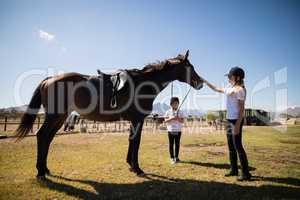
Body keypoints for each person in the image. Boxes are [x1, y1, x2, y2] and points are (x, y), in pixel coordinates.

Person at [204, 66, 252, 181]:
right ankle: (233, 169)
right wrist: (205, 82)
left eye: (230, 76)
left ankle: (246, 173)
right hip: (229, 120)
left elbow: (241, 110)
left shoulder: (240, 90)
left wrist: (237, 126)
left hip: (236, 121)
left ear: (237, 77)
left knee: (238, 146)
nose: (228, 78)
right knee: (231, 146)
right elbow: (216, 89)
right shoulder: (230, 88)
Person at [164, 97, 185, 164]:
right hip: (170, 130)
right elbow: (165, 121)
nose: (175, 104)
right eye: (174, 103)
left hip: (178, 130)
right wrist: (172, 118)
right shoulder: (168, 112)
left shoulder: (180, 111)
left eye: (177, 103)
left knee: (177, 144)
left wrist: (178, 118)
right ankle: (172, 158)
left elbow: (182, 121)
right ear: (171, 104)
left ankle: (177, 157)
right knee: (171, 144)